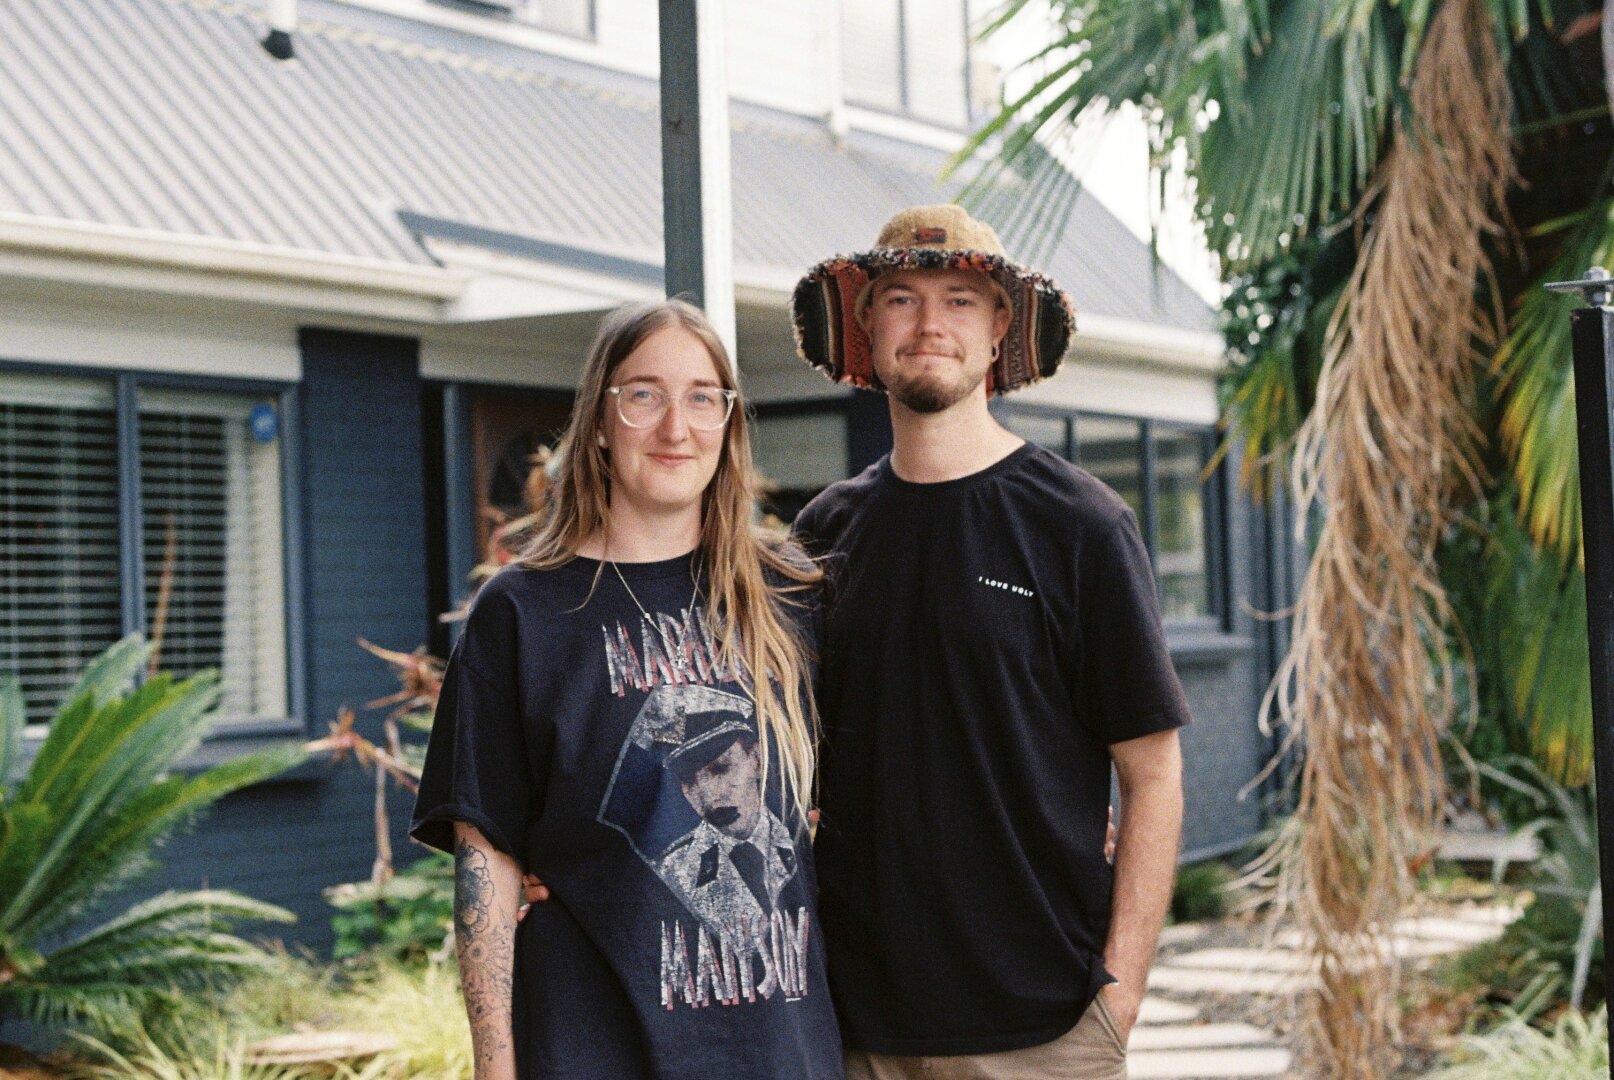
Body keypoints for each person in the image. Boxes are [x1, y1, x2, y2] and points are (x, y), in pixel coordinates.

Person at [790, 204, 1189, 1079]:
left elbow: (1152, 773)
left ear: (1001, 324)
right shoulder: (824, 532)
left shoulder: (1080, 525)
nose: (930, 324)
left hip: (1040, 1030)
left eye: (961, 299)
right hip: (856, 1027)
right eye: (900, 297)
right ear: (866, 322)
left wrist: (1117, 998)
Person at [410, 299, 842, 1080]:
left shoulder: (791, 595)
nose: (676, 427)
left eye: (703, 397)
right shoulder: (524, 611)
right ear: (600, 421)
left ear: (729, 423)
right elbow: (485, 859)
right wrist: (494, 1071)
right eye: (644, 395)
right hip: (592, 1048)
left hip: (783, 1053)